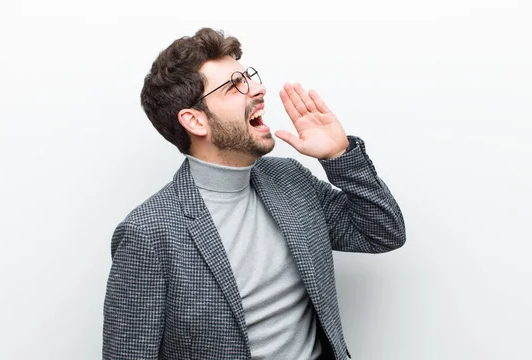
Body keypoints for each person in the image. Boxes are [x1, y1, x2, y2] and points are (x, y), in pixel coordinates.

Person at [102, 27, 406, 360]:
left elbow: (382, 234)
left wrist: (338, 156)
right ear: (195, 121)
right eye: (234, 86)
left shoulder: (289, 180)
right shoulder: (147, 233)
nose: (258, 89)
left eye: (248, 77)